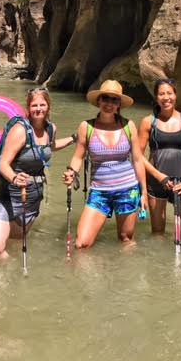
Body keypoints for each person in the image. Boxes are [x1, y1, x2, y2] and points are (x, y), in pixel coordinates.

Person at [0, 87, 76, 259]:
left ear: (48, 106)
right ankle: (2, 273)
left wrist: (74, 138)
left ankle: (13, 276)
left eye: (42, 104)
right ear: (28, 107)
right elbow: (3, 163)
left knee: (16, 240)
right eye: (34, 105)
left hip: (33, 195)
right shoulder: (20, 130)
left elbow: (50, 147)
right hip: (9, 194)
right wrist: (14, 177)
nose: (38, 109)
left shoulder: (51, 129)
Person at [62, 80, 148, 248]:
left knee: (126, 240)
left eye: (114, 100)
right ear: (99, 101)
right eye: (106, 98)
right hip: (99, 191)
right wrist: (71, 172)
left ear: (119, 105)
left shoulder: (128, 125)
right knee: (81, 244)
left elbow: (137, 159)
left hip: (127, 189)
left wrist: (143, 192)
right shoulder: (86, 127)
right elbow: (78, 157)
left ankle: (124, 273)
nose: (109, 103)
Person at [138, 79, 181, 241]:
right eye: (161, 94)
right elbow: (137, 156)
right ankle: (161, 266)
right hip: (156, 183)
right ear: (156, 97)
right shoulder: (148, 122)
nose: (166, 97)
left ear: (175, 95)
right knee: (158, 234)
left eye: (169, 93)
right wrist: (159, 177)